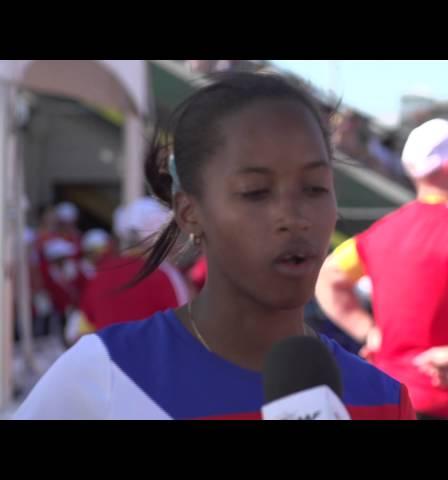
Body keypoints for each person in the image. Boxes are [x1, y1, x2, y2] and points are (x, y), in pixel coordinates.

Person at [14, 71, 415, 420]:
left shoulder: (381, 399)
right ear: (190, 212)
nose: (294, 216)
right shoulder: (104, 377)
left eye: (314, 188)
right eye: (256, 192)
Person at [316, 118, 448, 420]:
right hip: (445, 396)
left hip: (389, 398)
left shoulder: (381, 231)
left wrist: (369, 332)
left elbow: (328, 277)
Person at [63, 197, 189, 345]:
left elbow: (81, 331)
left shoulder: (101, 274)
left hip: (110, 363)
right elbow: (186, 330)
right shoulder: (164, 274)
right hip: (155, 363)